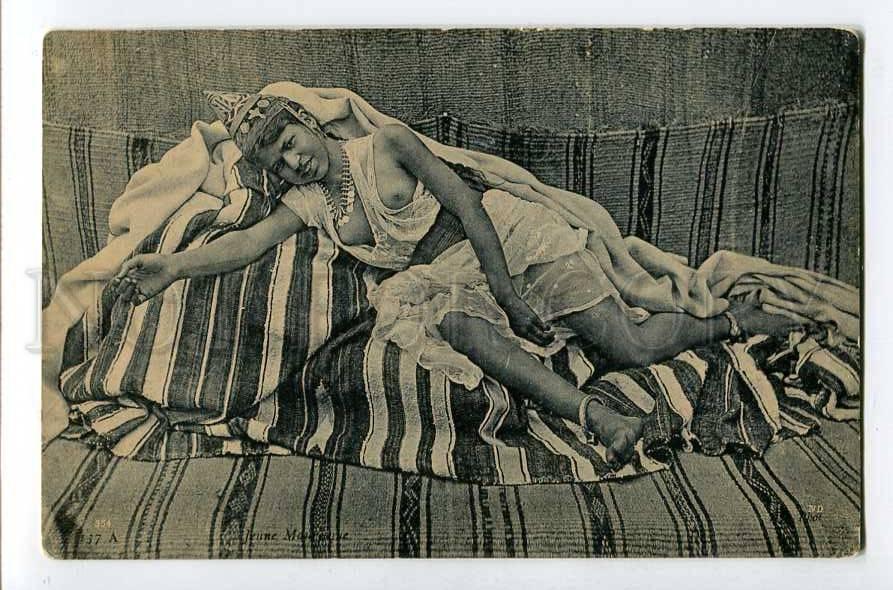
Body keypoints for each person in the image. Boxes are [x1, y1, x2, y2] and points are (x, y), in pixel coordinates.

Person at [112, 94, 799, 468]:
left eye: (290, 143)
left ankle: (732, 319)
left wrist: (508, 292)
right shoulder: (309, 203)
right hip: (448, 278)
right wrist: (169, 267)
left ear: (309, 123)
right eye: (276, 163)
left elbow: (470, 206)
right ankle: (604, 421)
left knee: (630, 346)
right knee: (455, 327)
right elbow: (245, 244)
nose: (292, 163)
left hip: (507, 240)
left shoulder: (386, 146)